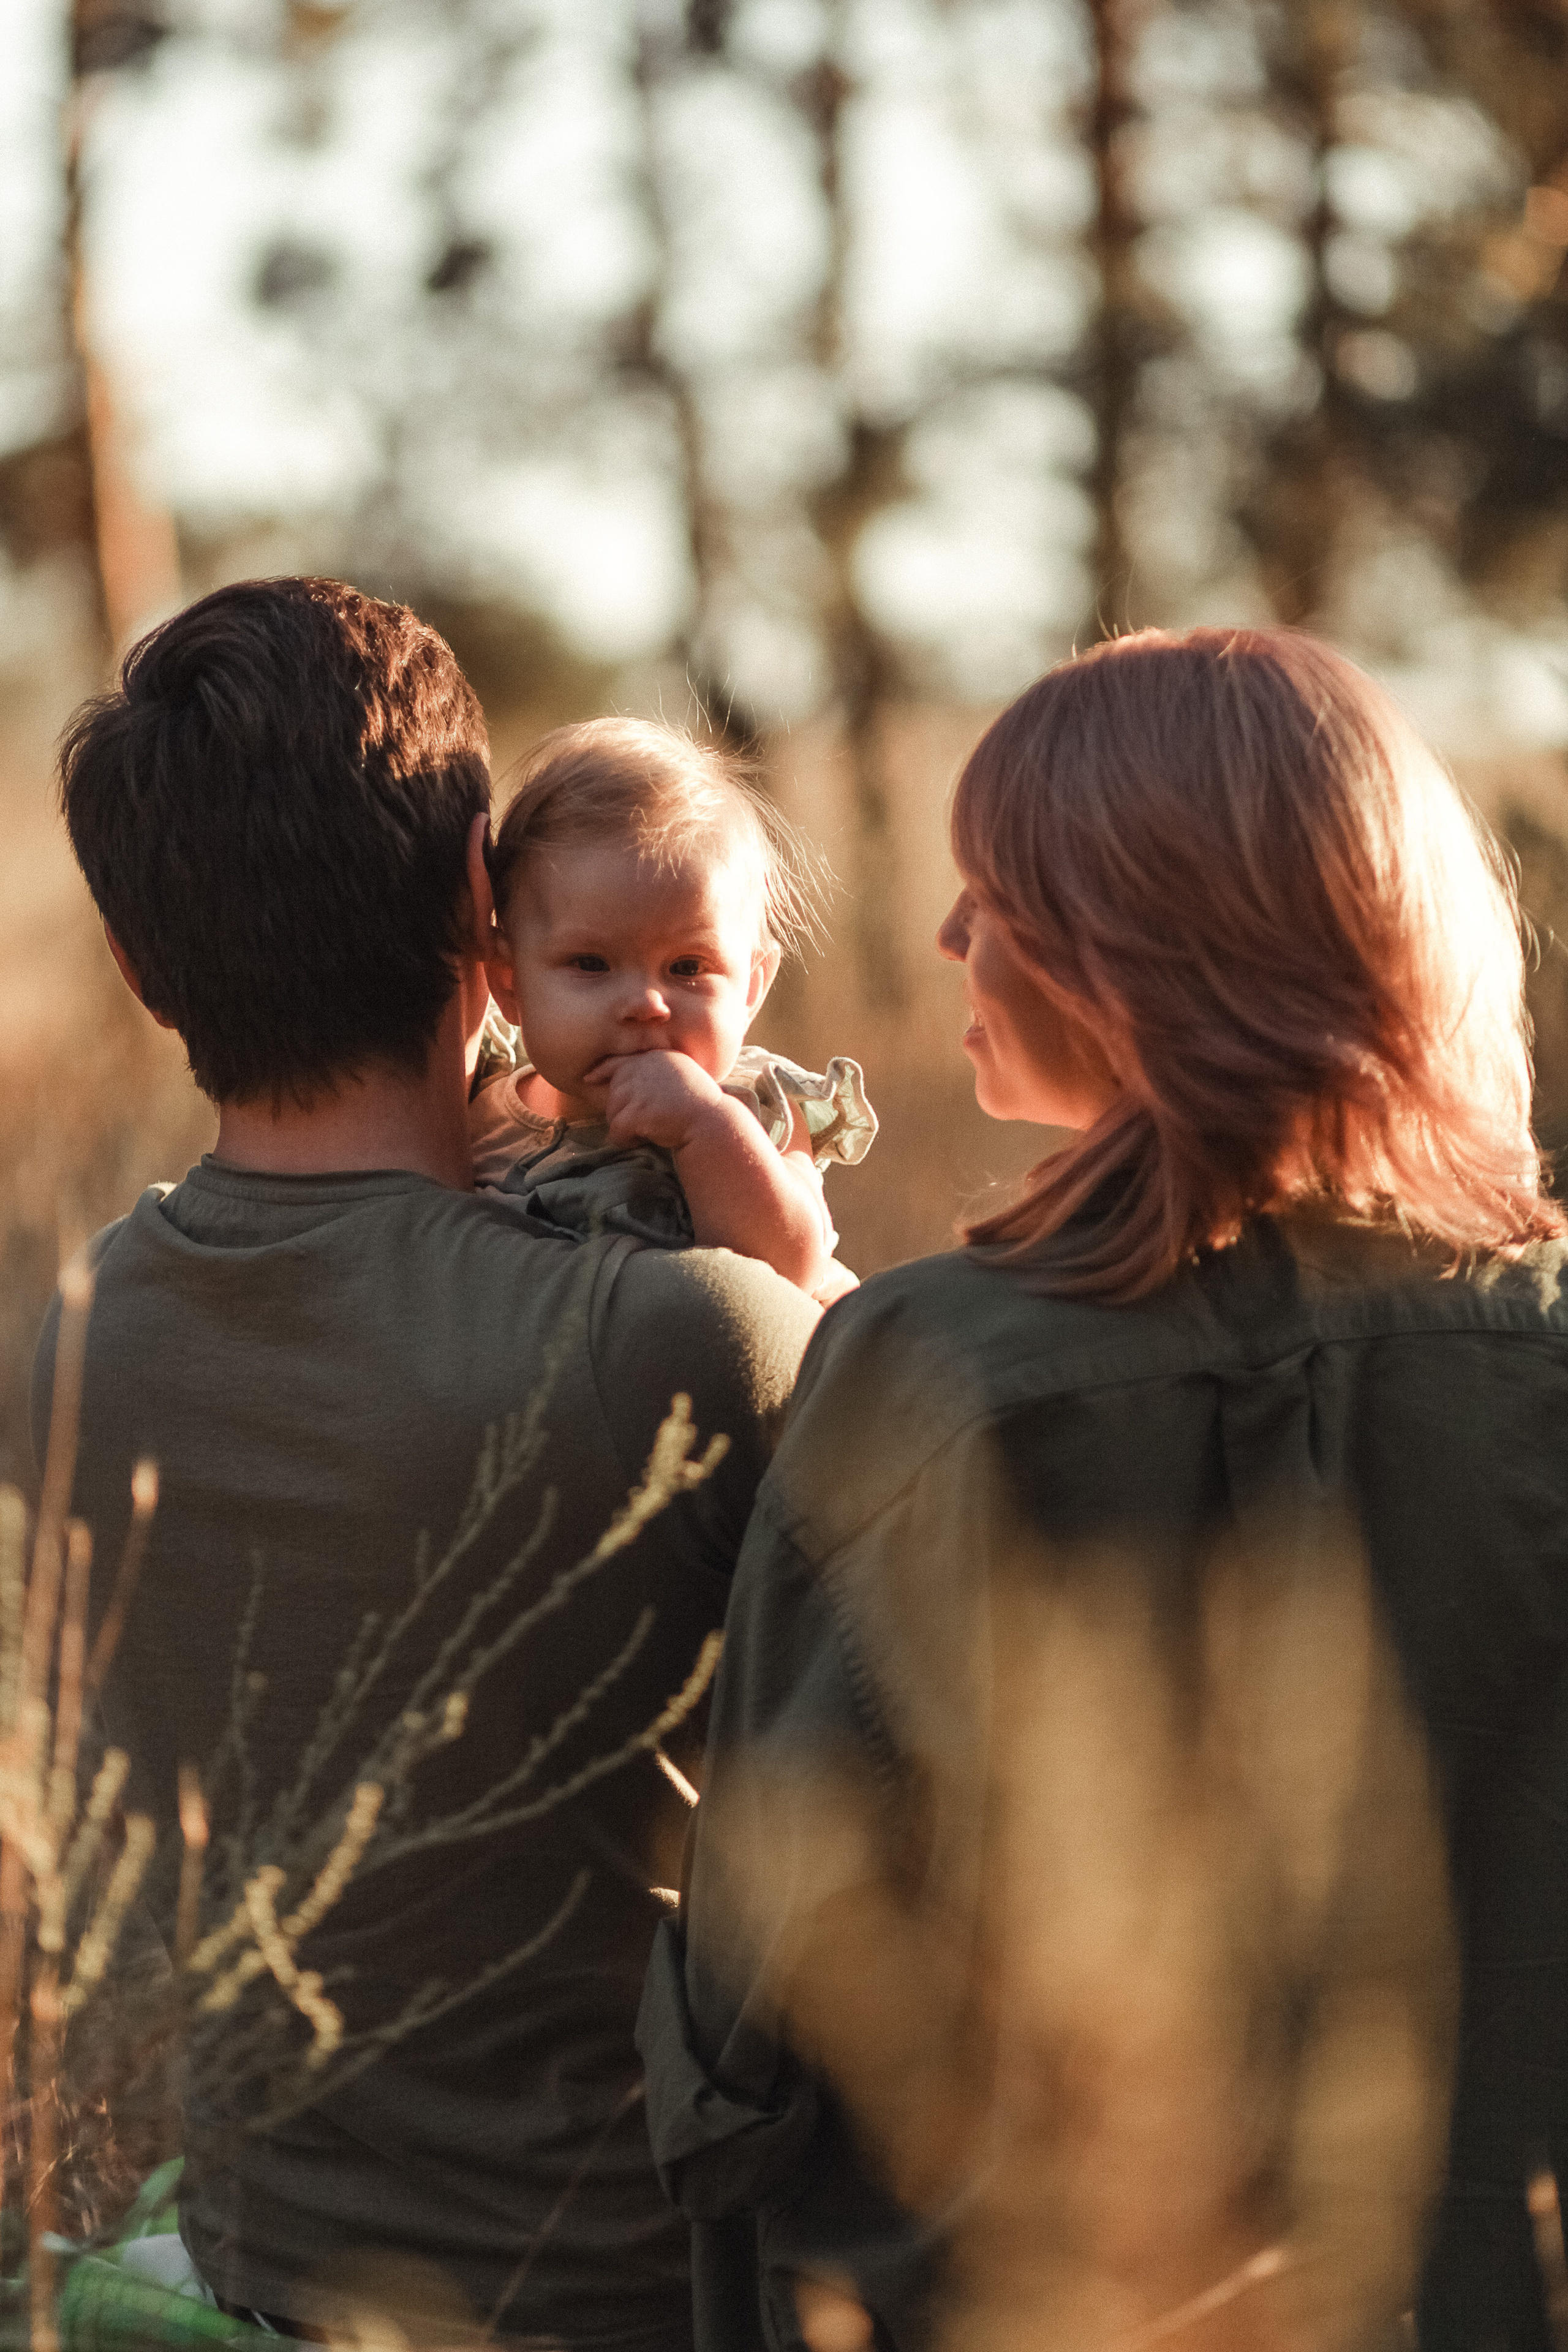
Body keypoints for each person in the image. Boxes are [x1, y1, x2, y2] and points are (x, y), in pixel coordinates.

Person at [638, 627, 1568, 2352]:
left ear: (1143, 949)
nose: (948, 938)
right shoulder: (1542, 1351)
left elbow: (758, 1981)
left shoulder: (938, 1368)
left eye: (999, 895)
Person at [34, 577, 820, 2350]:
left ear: (141, 967)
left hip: (268, 2266)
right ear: (485, 902)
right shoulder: (676, 1334)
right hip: (644, 2295)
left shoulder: (72, 1349)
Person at [472, 719, 875, 1306]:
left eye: (687, 967)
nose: (647, 1004)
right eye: (591, 964)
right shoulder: (481, 1115)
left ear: (751, 988)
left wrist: (705, 1128)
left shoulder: (757, 1108)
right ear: (509, 982)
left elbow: (791, 1268)